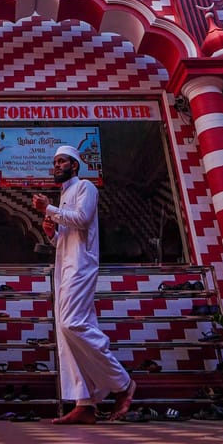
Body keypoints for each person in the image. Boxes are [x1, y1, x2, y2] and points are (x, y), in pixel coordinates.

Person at [32, 145, 136, 425]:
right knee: (67, 333)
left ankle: (123, 383)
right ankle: (85, 403)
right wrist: (52, 235)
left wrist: (49, 209)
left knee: (72, 324)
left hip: (81, 267)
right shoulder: (65, 195)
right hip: (65, 268)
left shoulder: (85, 188)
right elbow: (70, 237)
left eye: (61, 161)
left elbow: (82, 219)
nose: (56, 165)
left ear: (74, 165)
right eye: (54, 162)